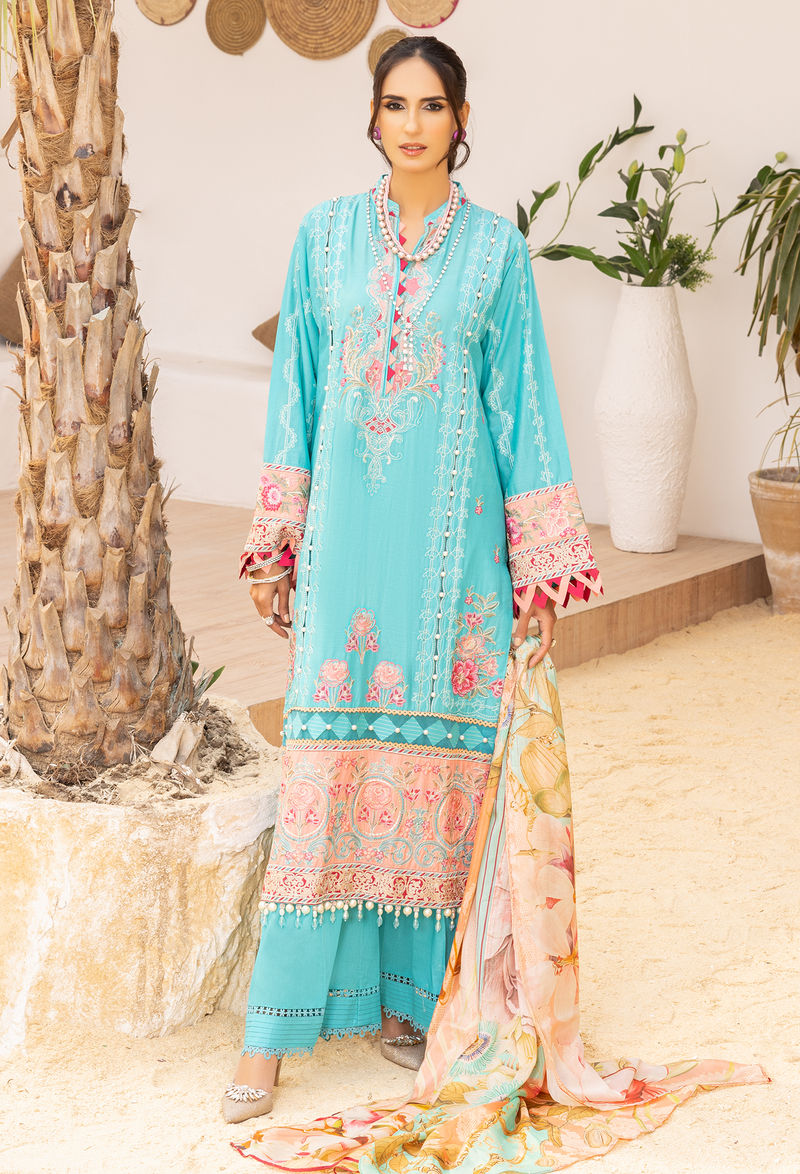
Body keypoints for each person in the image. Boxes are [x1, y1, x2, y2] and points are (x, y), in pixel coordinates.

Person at [223, 37, 766, 1167]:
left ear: (460, 119)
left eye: (432, 105)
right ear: (372, 117)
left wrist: (541, 566)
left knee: (445, 781)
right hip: (346, 553)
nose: (412, 123)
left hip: (453, 564)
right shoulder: (323, 238)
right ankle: (269, 1036)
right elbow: (294, 394)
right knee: (328, 771)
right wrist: (278, 536)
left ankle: (418, 1007)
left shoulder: (496, 253)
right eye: (394, 103)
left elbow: (522, 409)